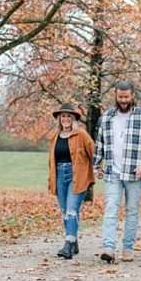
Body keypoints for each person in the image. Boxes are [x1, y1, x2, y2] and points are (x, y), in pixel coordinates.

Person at [93, 81, 141, 263]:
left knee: (132, 211)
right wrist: (96, 166)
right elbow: (100, 144)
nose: (123, 100)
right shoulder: (106, 118)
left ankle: (128, 247)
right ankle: (109, 248)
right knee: (111, 209)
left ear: (132, 96)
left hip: (134, 174)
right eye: (120, 97)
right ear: (115, 96)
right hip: (112, 172)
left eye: (126, 97)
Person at [47, 104, 95, 259]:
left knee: (72, 210)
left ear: (73, 119)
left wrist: (97, 171)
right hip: (60, 175)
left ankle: (67, 245)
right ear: (59, 119)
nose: (66, 119)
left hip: (77, 176)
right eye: (63, 116)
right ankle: (73, 242)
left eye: (69, 116)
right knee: (64, 212)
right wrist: (51, 180)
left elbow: (94, 152)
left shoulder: (81, 134)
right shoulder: (55, 137)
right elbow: (52, 161)